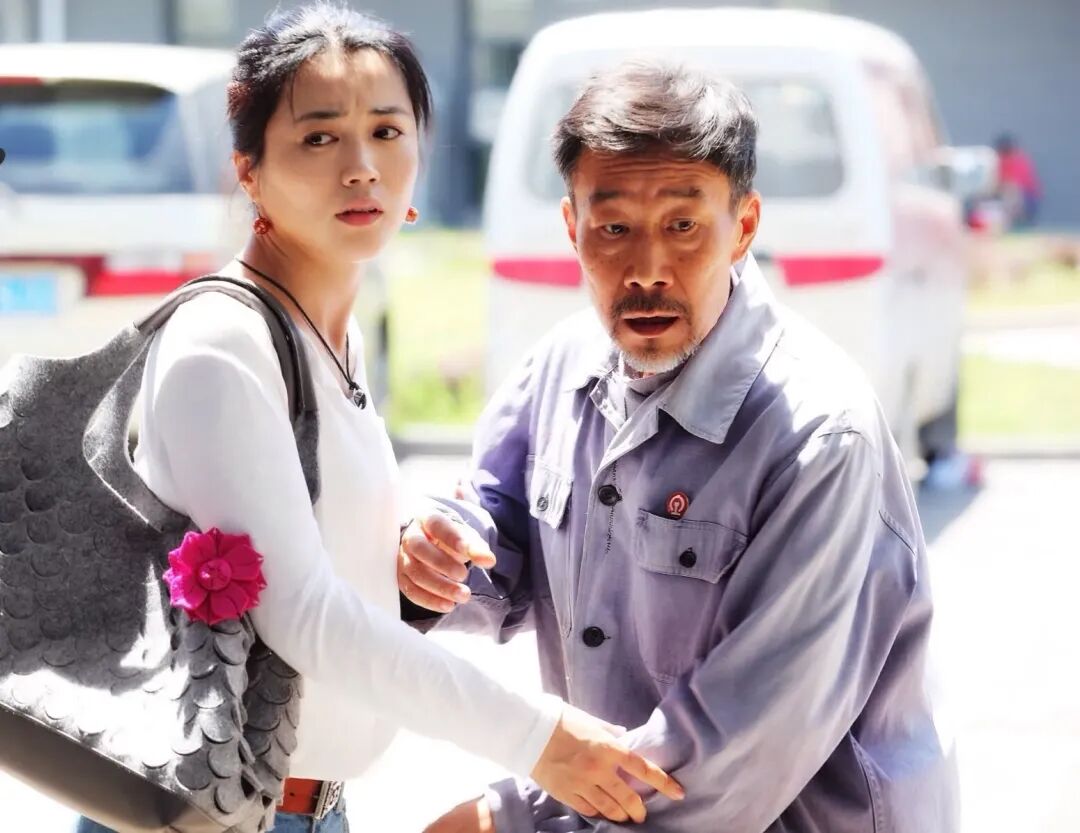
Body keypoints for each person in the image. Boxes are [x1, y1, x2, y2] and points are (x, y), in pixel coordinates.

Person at [73, 7, 682, 833]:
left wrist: (397, 550)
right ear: (249, 170)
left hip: (307, 806)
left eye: (387, 132)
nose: (361, 168)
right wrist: (540, 739)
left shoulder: (328, 335)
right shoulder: (222, 343)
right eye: (319, 138)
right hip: (211, 814)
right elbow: (303, 614)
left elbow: (303, 552)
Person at [401, 61, 960, 832]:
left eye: (683, 226)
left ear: (745, 225)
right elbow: (497, 537)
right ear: (572, 226)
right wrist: (432, 557)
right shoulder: (561, 368)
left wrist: (515, 817)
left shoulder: (821, 436)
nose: (647, 270)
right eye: (614, 228)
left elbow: (734, 750)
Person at [994, 133, 1042, 229]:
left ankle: (1008, 223)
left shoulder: (1018, 160)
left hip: (1027, 199)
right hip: (1005, 198)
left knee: (1011, 191)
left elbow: (1014, 186)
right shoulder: (999, 161)